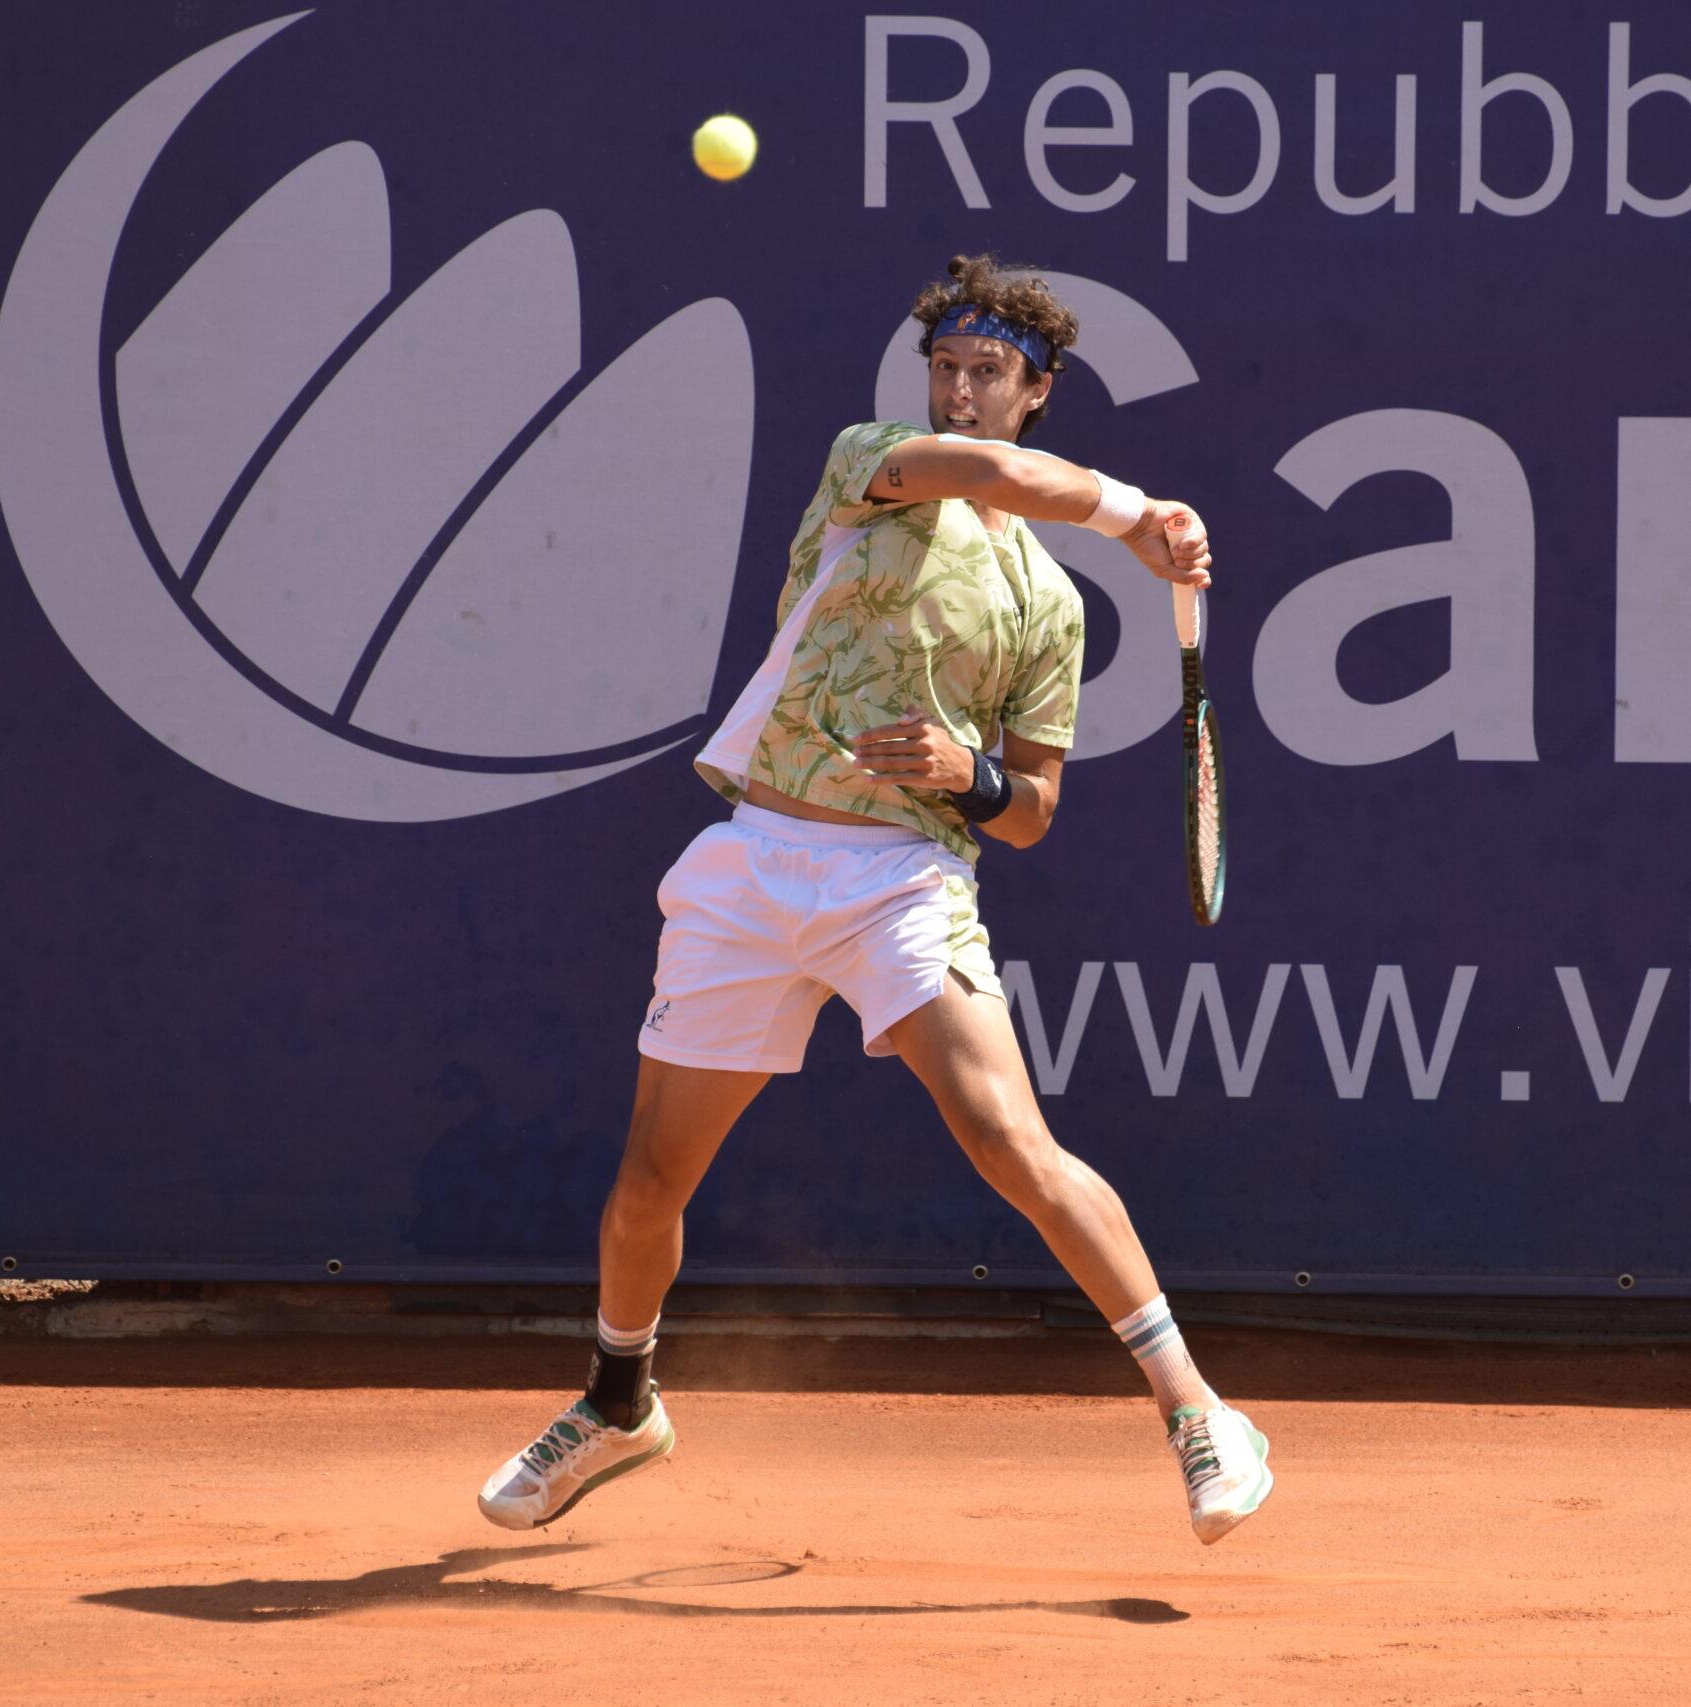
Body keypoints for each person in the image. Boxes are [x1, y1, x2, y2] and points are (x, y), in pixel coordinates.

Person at [477, 255, 1273, 1544]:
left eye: (989, 372)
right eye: (945, 368)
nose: (960, 390)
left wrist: (971, 775)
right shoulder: (875, 465)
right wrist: (1137, 515)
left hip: (900, 881)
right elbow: (997, 476)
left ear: (1038, 388)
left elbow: (1033, 811)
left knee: (1009, 1143)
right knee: (649, 1184)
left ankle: (1200, 1413)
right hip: (753, 862)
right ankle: (620, 1403)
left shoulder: (1050, 606)